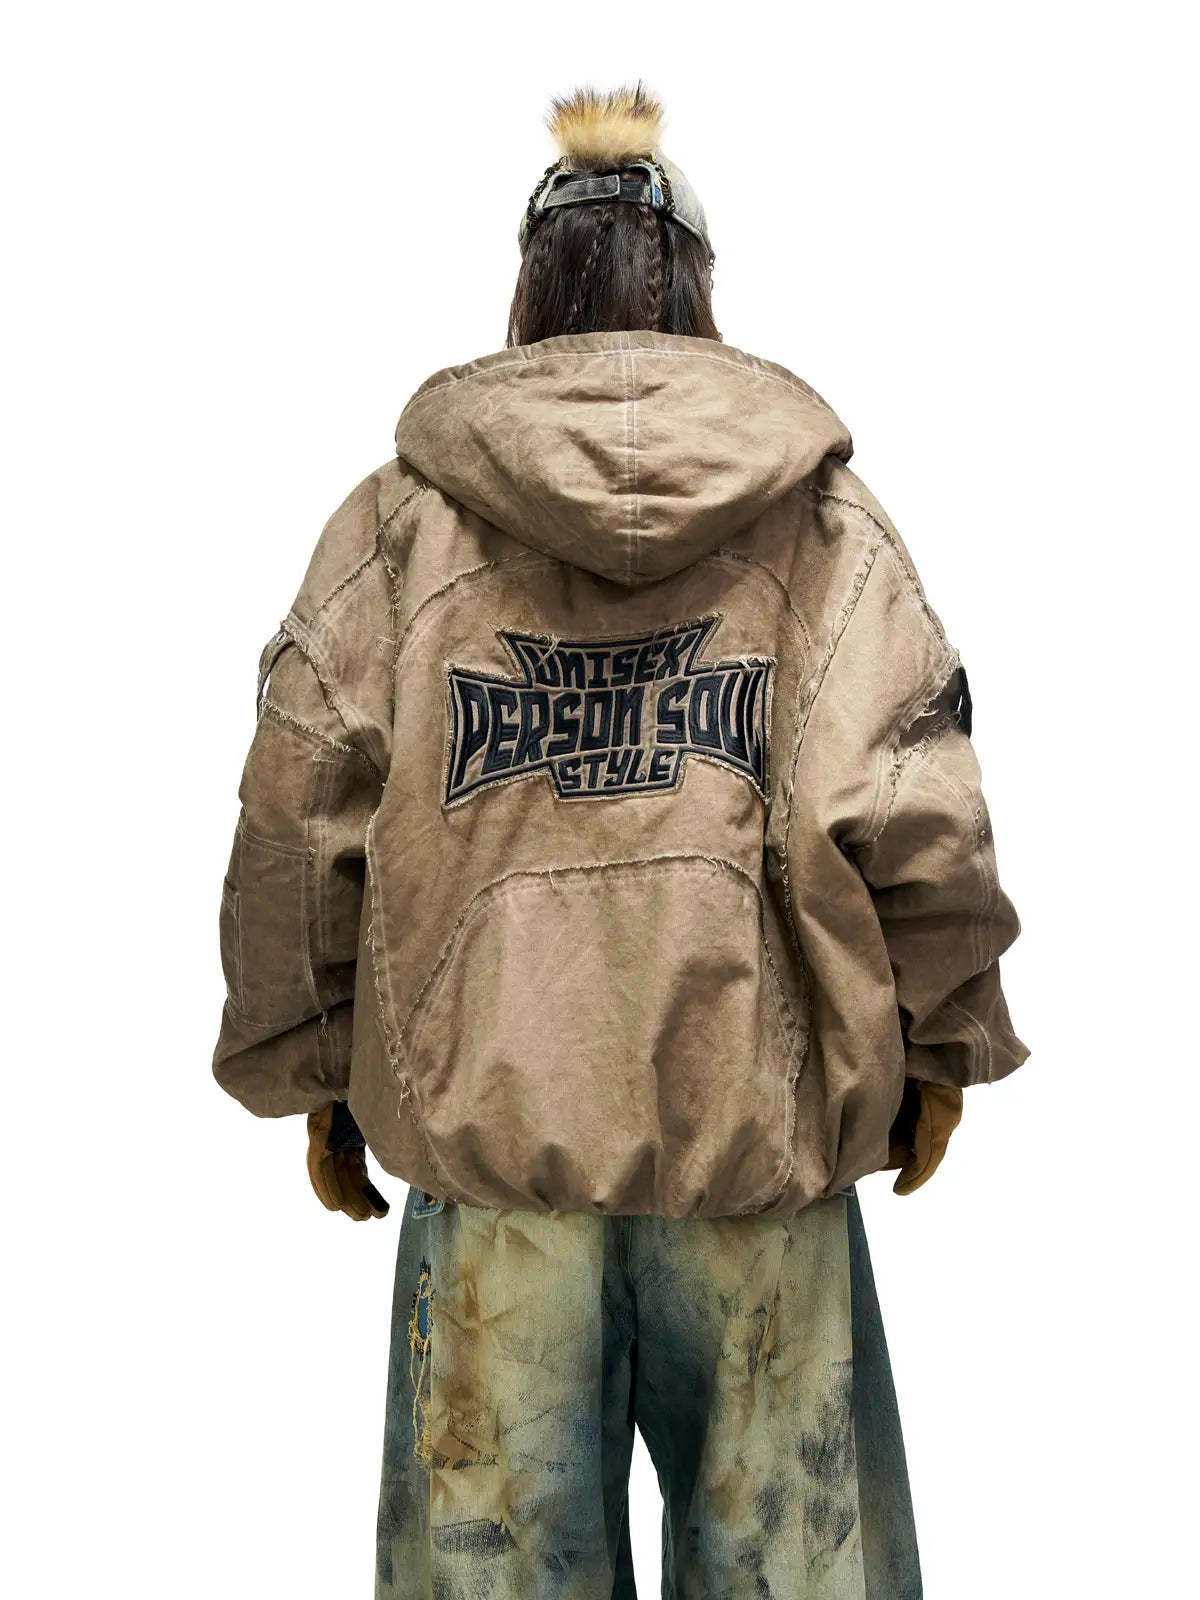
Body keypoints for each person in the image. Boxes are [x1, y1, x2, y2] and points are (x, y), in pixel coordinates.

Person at [212, 83, 1028, 1600]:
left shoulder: (400, 530)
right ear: (698, 290)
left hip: (490, 1173)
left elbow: (297, 812)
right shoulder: (824, 529)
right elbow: (918, 802)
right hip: (759, 1163)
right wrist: (942, 1043)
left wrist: (310, 1070)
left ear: (527, 292)